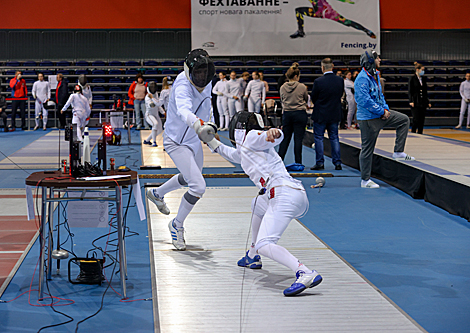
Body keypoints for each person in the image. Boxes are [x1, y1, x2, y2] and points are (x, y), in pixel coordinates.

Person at [196, 111, 323, 296]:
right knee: (257, 203)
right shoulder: (247, 148)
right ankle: (253, 255)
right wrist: (211, 141)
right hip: (287, 192)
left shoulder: (251, 137)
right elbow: (233, 154)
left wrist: (274, 132)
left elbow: (270, 136)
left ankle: (304, 272)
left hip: (283, 194)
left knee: (266, 243)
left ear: (238, 129)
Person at [146, 48, 215, 251]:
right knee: (198, 186)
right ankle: (176, 225)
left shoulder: (207, 81)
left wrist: (209, 126)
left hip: (194, 139)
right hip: (175, 141)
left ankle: (157, 193)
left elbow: (207, 106)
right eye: (198, 72)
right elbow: (185, 110)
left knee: (190, 177)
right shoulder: (182, 85)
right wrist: (199, 125)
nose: (202, 76)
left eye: (205, 72)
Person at [355, 50, 415, 189]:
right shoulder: (362, 79)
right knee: (367, 149)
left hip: (381, 114)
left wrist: (386, 109)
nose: (380, 60)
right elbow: (364, 100)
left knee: (403, 120)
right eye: (377, 58)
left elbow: (380, 95)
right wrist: (381, 111)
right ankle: (365, 180)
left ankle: (398, 152)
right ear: (370, 61)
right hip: (368, 119)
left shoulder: (375, 75)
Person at [310, 58, 344, 171]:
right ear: (332, 66)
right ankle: (337, 162)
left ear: (323, 67)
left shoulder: (318, 81)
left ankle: (320, 163)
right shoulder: (340, 80)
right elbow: (340, 94)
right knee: (334, 137)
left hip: (321, 113)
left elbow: (313, 97)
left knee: (319, 138)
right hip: (334, 112)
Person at [290, 0, 376, 39]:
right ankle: (300, 31)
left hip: (327, 12)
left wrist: (346, 1)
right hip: (316, 12)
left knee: (346, 22)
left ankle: (366, 30)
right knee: (298, 11)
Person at [278, 63, 309, 166]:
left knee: (285, 138)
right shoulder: (302, 86)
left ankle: (279, 160)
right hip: (299, 113)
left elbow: (282, 99)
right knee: (298, 140)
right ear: (296, 76)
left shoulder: (282, 87)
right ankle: (298, 162)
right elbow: (305, 98)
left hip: (287, 113)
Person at [408, 62, 431, 134]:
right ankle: (414, 131)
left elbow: (425, 91)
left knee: (422, 118)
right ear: (417, 70)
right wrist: (411, 100)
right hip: (415, 100)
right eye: (422, 70)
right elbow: (410, 90)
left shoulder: (423, 79)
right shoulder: (412, 78)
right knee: (416, 118)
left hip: (422, 101)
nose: (423, 71)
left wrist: (428, 101)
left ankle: (420, 132)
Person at [143, 81, 164, 147]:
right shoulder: (147, 97)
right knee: (155, 124)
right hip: (149, 115)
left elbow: (158, 104)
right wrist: (153, 99)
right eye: (151, 87)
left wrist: (163, 112)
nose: (153, 88)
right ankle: (154, 142)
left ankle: (147, 140)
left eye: (154, 87)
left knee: (160, 130)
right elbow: (152, 105)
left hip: (156, 115)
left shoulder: (156, 94)